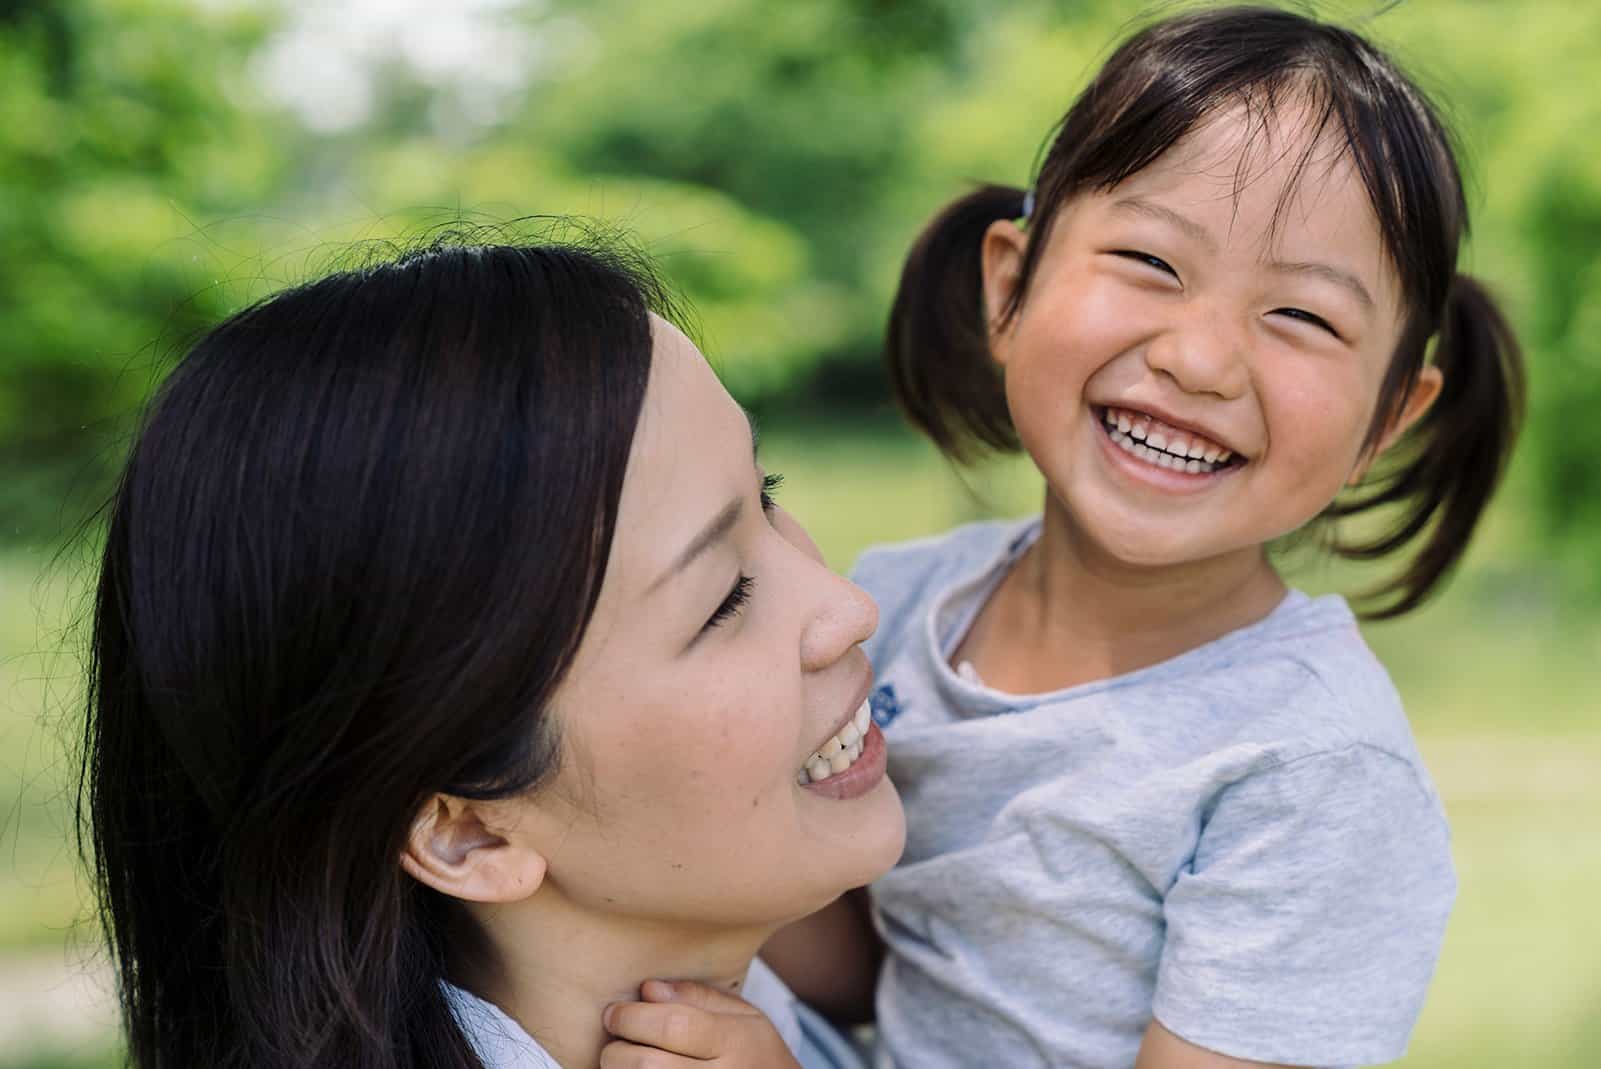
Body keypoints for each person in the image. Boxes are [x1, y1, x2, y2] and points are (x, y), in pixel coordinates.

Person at [750, 6, 1527, 1068]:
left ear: (1384, 422)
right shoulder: (893, 604)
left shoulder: (1306, 770)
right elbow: (879, 970)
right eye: (1151, 263)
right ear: (1009, 289)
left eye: (1300, 317)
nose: (1199, 359)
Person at [78, 234, 905, 1069]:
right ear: (466, 832)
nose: (850, 607)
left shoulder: (779, 975)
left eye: (766, 497)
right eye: (723, 598)